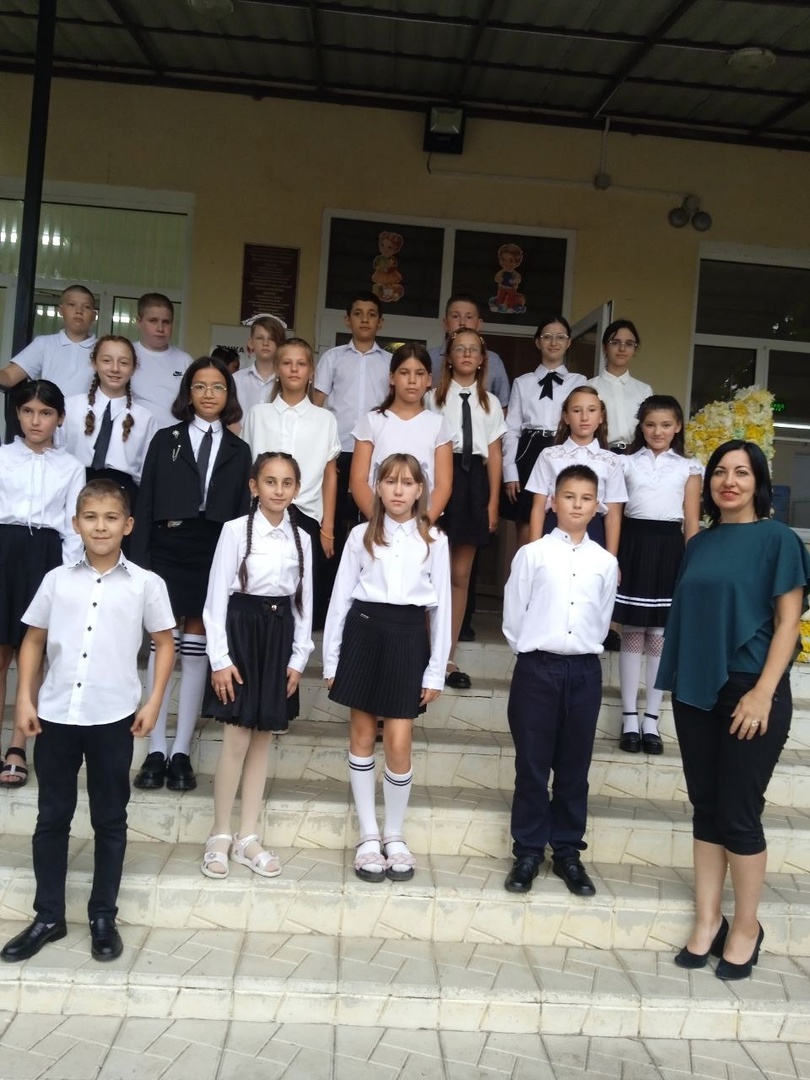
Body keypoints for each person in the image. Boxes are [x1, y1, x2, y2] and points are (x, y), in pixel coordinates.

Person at [0, 479, 176, 964]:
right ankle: (48, 916)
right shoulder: (57, 580)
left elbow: (165, 642)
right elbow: (33, 640)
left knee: (109, 818)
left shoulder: (146, 584)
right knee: (51, 817)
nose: (101, 527)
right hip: (56, 715)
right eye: (91, 518)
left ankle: (103, 916)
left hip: (112, 718)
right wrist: (24, 699)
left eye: (111, 518)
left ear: (128, 525)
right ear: (75, 524)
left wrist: (153, 701)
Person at [657, 440, 810, 980]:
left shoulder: (778, 540)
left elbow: (788, 622)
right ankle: (708, 920)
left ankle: (746, 927)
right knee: (706, 808)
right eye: (720, 472)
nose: (729, 481)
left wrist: (764, 691)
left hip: (751, 688)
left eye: (742, 472)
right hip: (696, 688)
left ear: (758, 482)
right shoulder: (699, 544)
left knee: (739, 815)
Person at [323, 453, 451, 882]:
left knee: (398, 740)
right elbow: (341, 598)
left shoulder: (434, 539)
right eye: (390, 481)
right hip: (364, 632)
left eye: (407, 482)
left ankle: (394, 834)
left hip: (408, 638)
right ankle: (368, 835)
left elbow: (442, 609)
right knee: (361, 735)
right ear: (377, 487)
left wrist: (435, 670)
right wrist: (332, 658)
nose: (398, 490)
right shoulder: (360, 535)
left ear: (420, 490)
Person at [131, 356, 252, 794]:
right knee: (163, 638)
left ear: (228, 394)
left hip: (214, 548)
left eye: (217, 386)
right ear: (188, 393)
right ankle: (155, 748)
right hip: (168, 544)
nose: (208, 394)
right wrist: (139, 561)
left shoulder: (240, 449)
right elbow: (145, 500)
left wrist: (238, 568)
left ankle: (181, 750)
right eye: (200, 386)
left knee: (198, 638)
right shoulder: (166, 439)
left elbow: (242, 513)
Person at [502, 465, 618, 897]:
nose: (577, 505)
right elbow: (514, 615)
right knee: (532, 765)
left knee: (574, 767)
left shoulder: (605, 562)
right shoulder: (532, 554)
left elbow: (602, 618)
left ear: (597, 506)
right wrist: (533, 653)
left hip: (583, 672)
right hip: (538, 669)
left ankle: (567, 851)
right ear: (553, 501)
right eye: (569, 496)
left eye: (586, 498)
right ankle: (528, 851)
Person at [201, 452, 313, 880]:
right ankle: (219, 833)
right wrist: (220, 659)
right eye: (270, 481)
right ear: (254, 486)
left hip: (279, 635)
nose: (278, 490)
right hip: (241, 632)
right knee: (236, 737)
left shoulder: (301, 538)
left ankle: (247, 836)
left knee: (263, 737)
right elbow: (216, 598)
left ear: (296, 489)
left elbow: (304, 603)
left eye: (287, 483)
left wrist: (298, 658)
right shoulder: (234, 531)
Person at [0, 381, 85, 788]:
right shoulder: (2, 457)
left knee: (31, 651)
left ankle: (17, 746)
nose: (36, 420)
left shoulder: (71, 467)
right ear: (17, 414)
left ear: (60, 418)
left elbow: (73, 527)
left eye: (46, 413)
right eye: (28, 411)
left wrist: (65, 578)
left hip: (45, 557)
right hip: (3, 550)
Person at [615, 396, 702, 755]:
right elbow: (616, 514)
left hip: (670, 549)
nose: (658, 431)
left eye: (666, 425)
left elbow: (691, 522)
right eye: (650, 424)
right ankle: (629, 717)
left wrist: (692, 565)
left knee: (659, 636)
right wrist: (614, 558)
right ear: (641, 426)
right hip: (633, 546)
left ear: (677, 427)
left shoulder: (688, 467)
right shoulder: (625, 462)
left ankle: (651, 718)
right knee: (633, 631)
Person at [426, 328, 505, 689]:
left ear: (482, 359)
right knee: (431, 573)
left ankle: (447, 655)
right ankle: (424, 651)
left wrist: (492, 502)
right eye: (460, 348)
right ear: (449, 357)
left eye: (474, 349)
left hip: (474, 484)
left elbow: (495, 455)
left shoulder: (490, 403)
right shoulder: (432, 398)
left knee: (460, 575)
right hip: (442, 478)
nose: (467, 354)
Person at [242, 338, 340, 629]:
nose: (294, 369)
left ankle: (294, 651)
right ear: (277, 368)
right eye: (287, 363)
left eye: (301, 363)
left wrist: (328, 527)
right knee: (260, 585)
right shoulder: (258, 414)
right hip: (261, 515)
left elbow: (330, 474)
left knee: (301, 594)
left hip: (306, 516)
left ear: (311, 371)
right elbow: (247, 467)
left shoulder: (325, 419)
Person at [312, 294, 390, 555]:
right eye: (358, 313)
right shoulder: (332, 358)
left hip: (377, 452)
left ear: (380, 322)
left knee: (370, 516)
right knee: (332, 515)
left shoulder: (390, 362)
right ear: (347, 320)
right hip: (338, 449)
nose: (364, 319)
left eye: (371, 314)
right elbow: (316, 406)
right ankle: (330, 573)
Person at [501, 317, 586, 547]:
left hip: (564, 448)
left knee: (564, 516)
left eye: (560, 337)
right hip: (529, 451)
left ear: (569, 343)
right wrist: (510, 471)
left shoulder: (579, 381)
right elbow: (512, 429)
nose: (553, 342)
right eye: (547, 337)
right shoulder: (523, 382)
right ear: (538, 342)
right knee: (527, 525)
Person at [350, 343, 453, 525]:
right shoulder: (372, 421)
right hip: (376, 522)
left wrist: (423, 524)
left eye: (419, 373)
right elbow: (358, 480)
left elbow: (443, 484)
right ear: (392, 377)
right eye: (404, 373)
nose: (412, 380)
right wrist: (380, 523)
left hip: (421, 524)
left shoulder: (438, 424)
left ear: (429, 379)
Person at [59, 335, 158, 517]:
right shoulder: (70, 407)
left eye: (124, 363)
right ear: (94, 363)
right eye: (106, 360)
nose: (115, 369)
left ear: (134, 368)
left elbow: (146, 474)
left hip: (124, 497)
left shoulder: (145, 418)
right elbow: (57, 456)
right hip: (75, 490)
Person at [526, 386, 627, 555]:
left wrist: (612, 559)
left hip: (593, 530)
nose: (584, 417)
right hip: (554, 526)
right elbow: (538, 507)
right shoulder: (549, 455)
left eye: (592, 410)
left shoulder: (611, 460)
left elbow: (613, 515)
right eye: (576, 410)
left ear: (601, 417)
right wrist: (533, 552)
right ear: (566, 417)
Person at [0, 284, 97, 399]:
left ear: (94, 315)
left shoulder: (102, 348)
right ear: (60, 310)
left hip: (89, 411)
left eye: (86, 307)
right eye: (72, 304)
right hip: (50, 410)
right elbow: (9, 376)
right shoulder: (44, 344)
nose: (79, 311)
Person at [428, 294, 510, 409]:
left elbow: (503, 406)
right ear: (445, 323)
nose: (462, 322)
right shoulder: (429, 358)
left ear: (479, 324)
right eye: (455, 316)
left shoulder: (493, 360)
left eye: (469, 317)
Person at [587, 320, 653, 452]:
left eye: (629, 344)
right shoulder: (589, 387)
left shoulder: (644, 390)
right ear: (605, 347)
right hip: (601, 453)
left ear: (635, 349)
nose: (622, 349)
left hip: (636, 455)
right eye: (615, 342)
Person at [131, 293, 193, 429]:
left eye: (166, 322)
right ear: (139, 322)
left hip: (175, 437)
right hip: (135, 436)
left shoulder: (185, 360)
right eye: (153, 321)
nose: (160, 328)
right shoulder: (127, 355)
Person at [232, 314, 287, 421]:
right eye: (260, 338)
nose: (265, 343)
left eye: (272, 339)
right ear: (251, 343)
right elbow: (229, 417)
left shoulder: (286, 380)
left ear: (280, 344)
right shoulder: (236, 379)